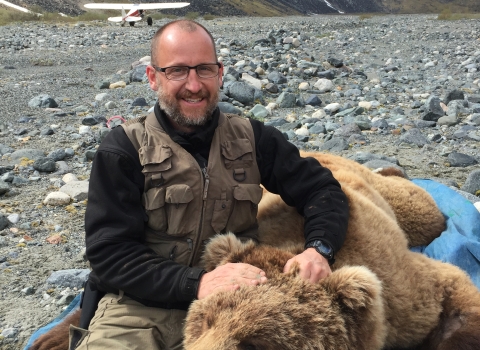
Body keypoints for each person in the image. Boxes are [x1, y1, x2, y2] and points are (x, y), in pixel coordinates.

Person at [73, 19, 349, 350]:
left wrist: (319, 250)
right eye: (177, 71)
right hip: (139, 309)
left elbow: (323, 190)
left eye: (203, 70)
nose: (193, 85)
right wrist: (197, 282)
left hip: (237, 302)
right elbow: (110, 253)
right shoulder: (124, 149)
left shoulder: (253, 138)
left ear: (219, 74)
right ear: (152, 77)